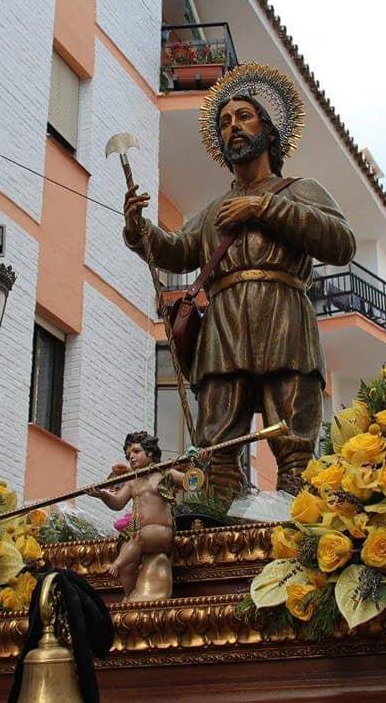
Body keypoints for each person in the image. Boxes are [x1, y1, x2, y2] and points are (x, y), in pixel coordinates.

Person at [122, 62, 356, 495]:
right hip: (224, 324)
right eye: (225, 122)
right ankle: (218, 518)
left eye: (244, 117)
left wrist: (264, 208)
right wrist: (140, 231)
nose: (233, 127)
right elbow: (177, 251)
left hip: (284, 318)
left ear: (268, 130)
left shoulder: (301, 190)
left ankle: (297, 520)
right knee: (217, 444)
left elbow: (341, 243)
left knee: (294, 439)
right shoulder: (213, 211)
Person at [88, 431, 183, 600]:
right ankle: (130, 597)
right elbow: (118, 502)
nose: (131, 457)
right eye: (128, 454)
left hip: (160, 529)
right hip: (136, 525)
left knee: (136, 540)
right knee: (126, 551)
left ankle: (117, 564)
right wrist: (103, 495)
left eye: (136, 451)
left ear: (150, 453)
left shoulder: (165, 474)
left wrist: (201, 465)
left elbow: (192, 481)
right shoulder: (132, 480)